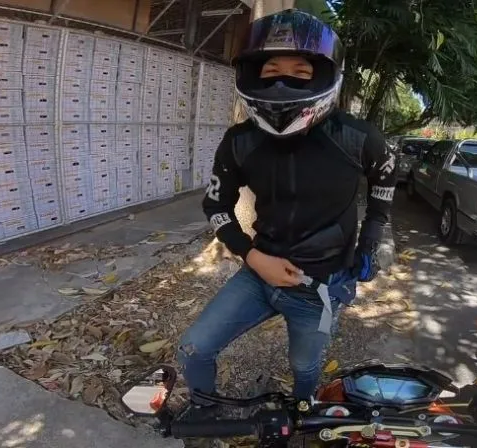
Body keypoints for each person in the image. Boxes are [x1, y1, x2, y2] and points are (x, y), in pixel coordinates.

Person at [176, 8, 396, 416]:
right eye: (271, 71)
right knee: (192, 348)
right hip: (257, 274)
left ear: (326, 76)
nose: (281, 83)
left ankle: (303, 411)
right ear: (251, 75)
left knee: (304, 366)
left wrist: (371, 239)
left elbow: (385, 180)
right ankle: (204, 412)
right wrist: (252, 256)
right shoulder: (239, 141)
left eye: (300, 72)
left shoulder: (359, 137)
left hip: (321, 286)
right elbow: (216, 206)